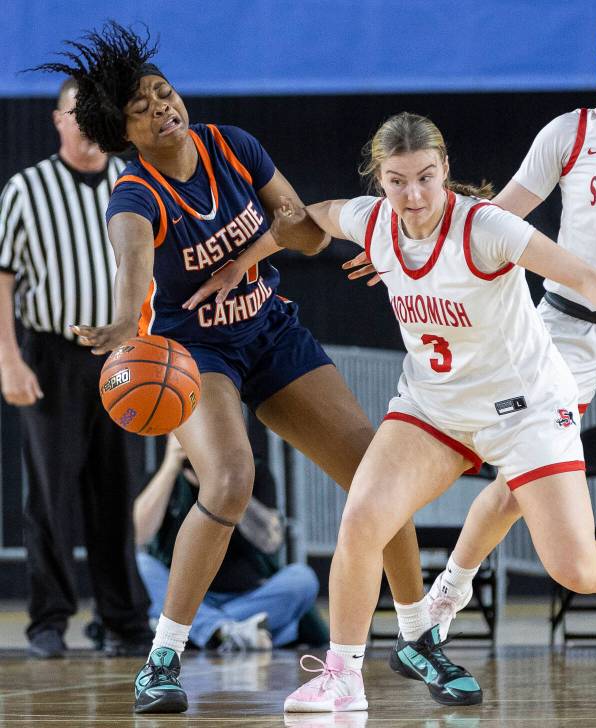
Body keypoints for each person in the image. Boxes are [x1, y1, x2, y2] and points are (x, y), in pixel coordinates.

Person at [212, 111, 596, 713]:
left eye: (426, 178)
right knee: (361, 521)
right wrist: (242, 261)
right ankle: (343, 677)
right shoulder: (372, 222)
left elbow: (584, 275)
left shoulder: (486, 227)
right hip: (433, 409)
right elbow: (313, 216)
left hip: (526, 412)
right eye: (396, 181)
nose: (413, 195)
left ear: (446, 173)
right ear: (379, 181)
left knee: (574, 566)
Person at [33, 22, 450, 714]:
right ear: (122, 131)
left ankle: (416, 636)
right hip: (197, 354)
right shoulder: (133, 196)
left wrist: (245, 258)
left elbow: (309, 231)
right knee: (229, 479)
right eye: (143, 107)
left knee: (379, 476)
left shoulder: (233, 145)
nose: (164, 107)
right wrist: (117, 322)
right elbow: (136, 265)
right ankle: (162, 657)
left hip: (269, 331)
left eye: (165, 93)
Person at [343, 3, 596, 702]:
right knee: (516, 481)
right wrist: (411, 243)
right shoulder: (572, 131)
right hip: (565, 326)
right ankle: (452, 589)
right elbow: (494, 218)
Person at [0, 77, 153, 659]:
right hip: (50, 353)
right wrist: (8, 358)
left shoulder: (130, 179)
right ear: (58, 119)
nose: (87, 123)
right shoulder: (26, 187)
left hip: (123, 355)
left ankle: (124, 620)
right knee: (51, 493)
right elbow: (3, 274)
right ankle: (49, 620)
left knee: (118, 488)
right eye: (76, 113)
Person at [134, 434, 328, 652]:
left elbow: (270, 542)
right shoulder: (160, 478)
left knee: (302, 579)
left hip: (247, 596)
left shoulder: (256, 472)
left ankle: (208, 631)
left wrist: (224, 488)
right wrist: (170, 466)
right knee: (140, 565)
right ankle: (232, 631)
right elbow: (138, 535)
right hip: (183, 597)